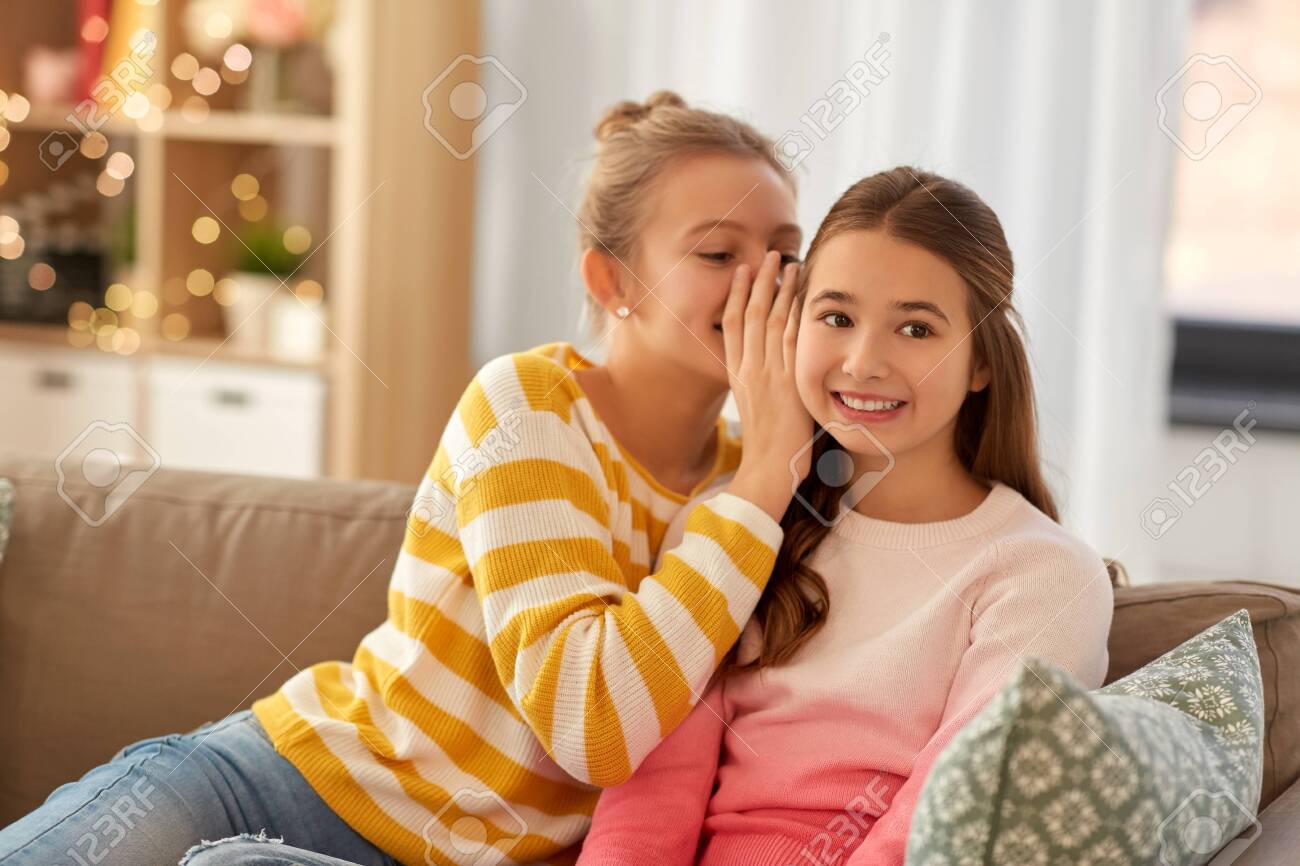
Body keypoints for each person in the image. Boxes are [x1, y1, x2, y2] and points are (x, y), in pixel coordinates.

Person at [0, 91, 814, 866]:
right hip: (282, 783)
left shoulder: (766, 482)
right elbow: (590, 717)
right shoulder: (532, 407)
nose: (766, 282)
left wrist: (775, 466)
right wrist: (764, 484)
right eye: (718, 252)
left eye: (786, 252)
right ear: (611, 282)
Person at [576, 167, 1116, 866]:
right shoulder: (732, 527)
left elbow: (952, 816)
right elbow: (650, 801)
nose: (863, 362)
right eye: (836, 318)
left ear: (981, 360)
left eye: (916, 329)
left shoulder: (1041, 574)